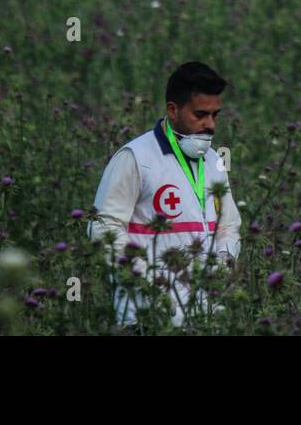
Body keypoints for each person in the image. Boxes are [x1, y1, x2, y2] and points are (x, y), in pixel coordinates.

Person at [89, 62, 243, 329]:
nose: (210, 125)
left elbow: (229, 226)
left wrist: (223, 264)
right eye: (201, 115)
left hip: (205, 317)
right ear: (173, 110)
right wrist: (146, 282)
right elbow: (104, 228)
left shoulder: (214, 160)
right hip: (145, 319)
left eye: (215, 115)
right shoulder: (135, 157)